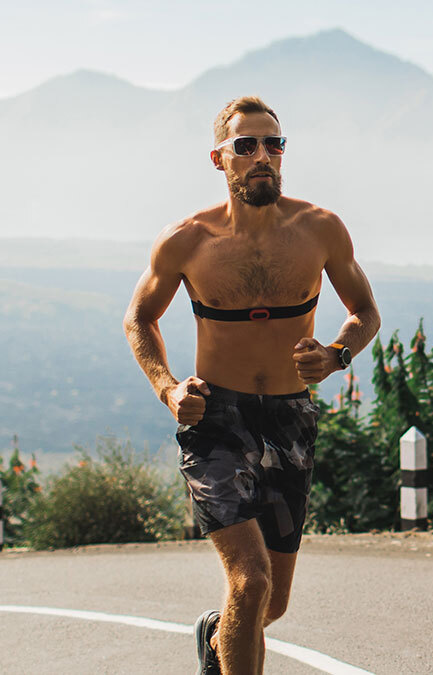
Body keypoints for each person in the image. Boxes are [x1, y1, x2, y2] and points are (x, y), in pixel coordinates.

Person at [122, 96, 380, 674]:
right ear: (220, 159)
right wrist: (167, 389)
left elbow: (364, 311)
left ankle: (218, 640)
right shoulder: (187, 240)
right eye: (247, 145)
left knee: (273, 602)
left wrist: (336, 354)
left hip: (290, 417)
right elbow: (139, 319)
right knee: (250, 580)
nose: (263, 155)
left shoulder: (320, 230)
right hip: (216, 420)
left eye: (274, 143)